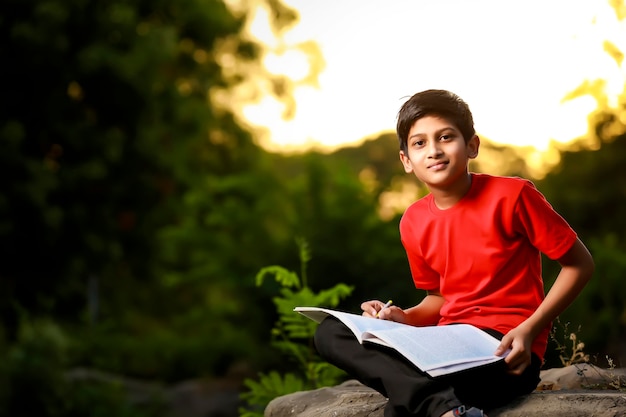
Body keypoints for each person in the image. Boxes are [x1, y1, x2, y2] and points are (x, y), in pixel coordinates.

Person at [313, 89, 594, 417]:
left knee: (402, 406)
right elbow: (440, 299)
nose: (433, 151)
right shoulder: (413, 221)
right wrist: (401, 318)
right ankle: (445, 408)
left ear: (471, 145)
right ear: (406, 160)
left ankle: (438, 406)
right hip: (443, 346)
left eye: (445, 137)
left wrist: (531, 328)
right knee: (330, 332)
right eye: (419, 143)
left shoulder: (513, 195)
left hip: (504, 349)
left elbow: (579, 265)